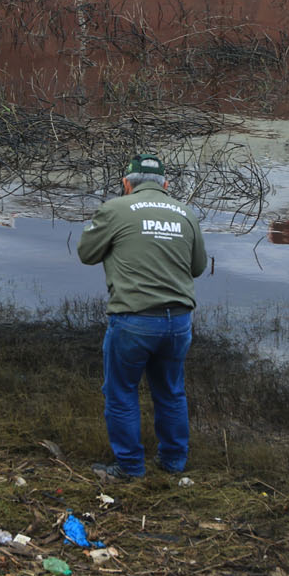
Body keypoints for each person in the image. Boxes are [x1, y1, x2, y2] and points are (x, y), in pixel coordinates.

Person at [77, 152, 208, 480]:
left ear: (126, 184)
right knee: (171, 392)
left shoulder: (115, 209)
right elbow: (198, 268)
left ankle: (130, 467)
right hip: (178, 321)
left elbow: (86, 254)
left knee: (121, 393)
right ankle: (173, 463)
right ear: (165, 184)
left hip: (134, 320)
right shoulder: (186, 214)